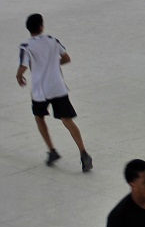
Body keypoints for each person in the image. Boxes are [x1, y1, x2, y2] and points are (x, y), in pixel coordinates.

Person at [16, 13, 92, 171]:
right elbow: (66, 58)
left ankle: (52, 150)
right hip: (58, 87)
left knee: (39, 117)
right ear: (41, 27)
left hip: (40, 91)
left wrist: (19, 76)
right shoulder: (52, 40)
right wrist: (52, 64)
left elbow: (23, 67)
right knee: (67, 120)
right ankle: (84, 153)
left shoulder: (26, 46)